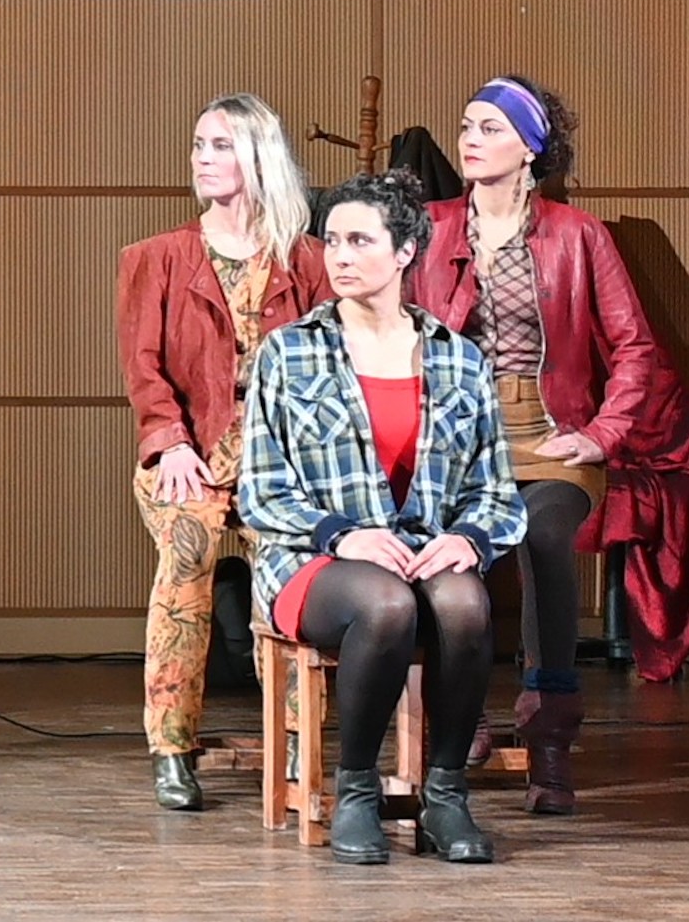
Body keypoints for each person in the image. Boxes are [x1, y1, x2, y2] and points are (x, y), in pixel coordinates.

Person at [240, 170, 527, 865]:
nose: (339, 255)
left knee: (464, 601)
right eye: (332, 240)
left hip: (419, 549)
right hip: (312, 557)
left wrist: (469, 539)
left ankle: (446, 792)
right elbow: (261, 491)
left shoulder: (459, 360)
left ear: (404, 252)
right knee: (386, 604)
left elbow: (496, 492)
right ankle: (358, 788)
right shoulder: (290, 352)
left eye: (359, 241)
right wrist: (341, 535)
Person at [410, 75, 668, 813]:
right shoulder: (430, 228)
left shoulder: (578, 235)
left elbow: (635, 347)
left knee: (543, 536)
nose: (469, 139)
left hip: (550, 434)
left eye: (489, 128)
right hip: (456, 438)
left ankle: (550, 735)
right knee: (445, 550)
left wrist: (602, 433)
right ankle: (462, 715)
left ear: (529, 148)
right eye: (466, 125)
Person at [116, 93, 330, 810]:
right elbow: (143, 369)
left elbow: (327, 367)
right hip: (191, 457)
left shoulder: (307, 260)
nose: (202, 159)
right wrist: (168, 442)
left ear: (258, 157)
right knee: (188, 556)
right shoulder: (157, 258)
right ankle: (173, 747)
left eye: (220, 145)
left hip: (279, 466)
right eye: (198, 145)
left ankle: (299, 738)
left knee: (293, 568)